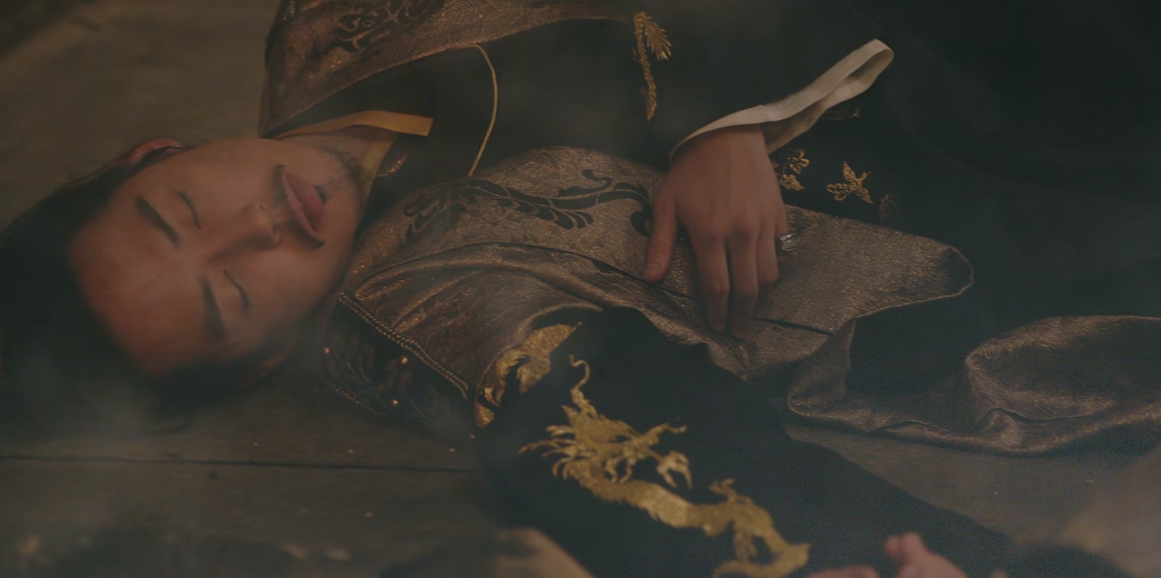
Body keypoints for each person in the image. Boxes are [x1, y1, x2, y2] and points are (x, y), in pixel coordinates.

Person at [1, 0, 1158, 575]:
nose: (260, 226)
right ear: (262, 357)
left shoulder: (335, 23)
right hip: (981, 191)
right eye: (233, 296)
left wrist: (724, 110)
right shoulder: (432, 301)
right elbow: (631, 447)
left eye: (185, 210)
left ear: (150, 152)